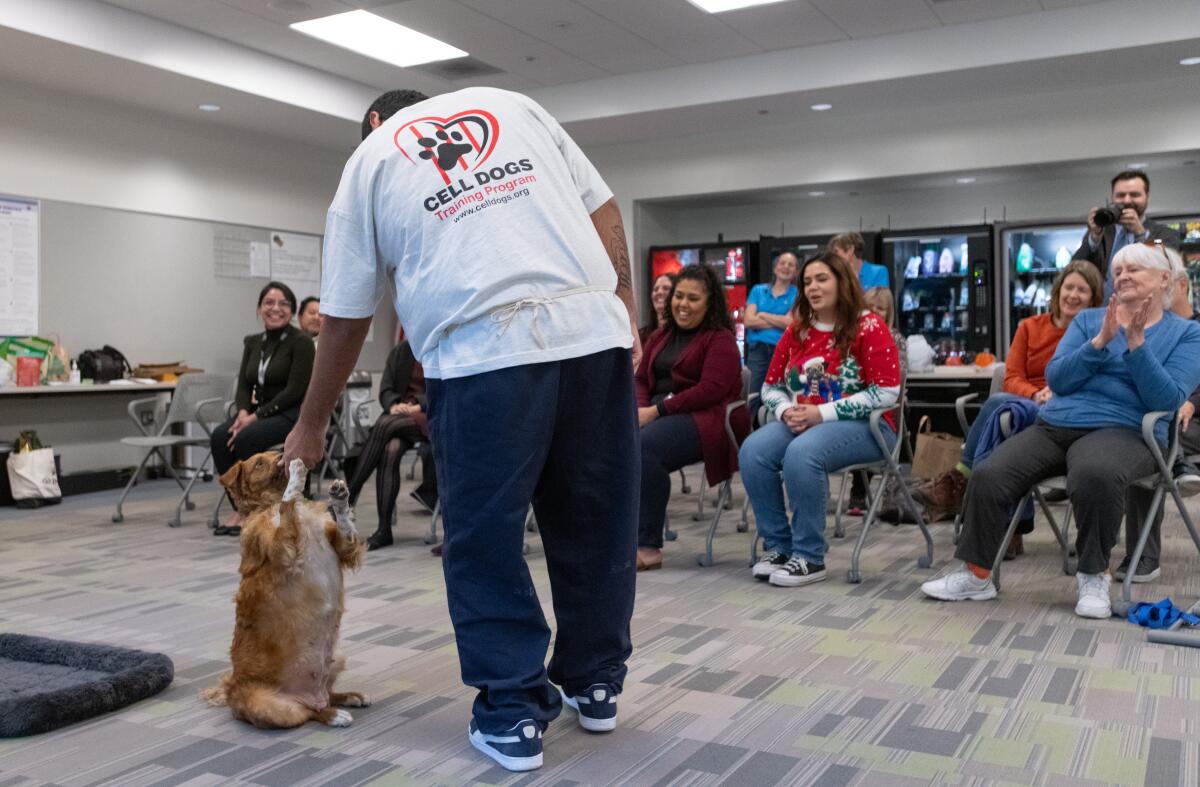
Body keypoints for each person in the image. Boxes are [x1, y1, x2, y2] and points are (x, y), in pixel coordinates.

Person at [282, 87, 640, 773]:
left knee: (483, 534)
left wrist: (311, 421)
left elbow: (348, 315)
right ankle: (595, 681)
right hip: (592, 335)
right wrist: (623, 303)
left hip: (483, 351)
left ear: (376, 124)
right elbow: (603, 205)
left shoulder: (369, 159)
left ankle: (510, 710)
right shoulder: (517, 105)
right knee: (595, 513)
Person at [921, 242, 1200, 619]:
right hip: (1058, 422)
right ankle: (976, 575)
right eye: (1119, 271)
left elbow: (1165, 398)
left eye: (1135, 269)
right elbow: (1058, 378)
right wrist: (1100, 342)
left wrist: (1136, 345)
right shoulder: (1089, 321)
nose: (1124, 276)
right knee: (990, 472)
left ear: (1165, 278)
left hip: (1126, 430)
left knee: (1094, 474)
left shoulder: (1187, 334)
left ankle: (1092, 574)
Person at [739, 251, 901, 587]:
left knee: (803, 452)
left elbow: (887, 392)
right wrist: (786, 410)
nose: (812, 287)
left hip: (870, 428)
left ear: (843, 282)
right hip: (804, 421)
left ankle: (809, 556)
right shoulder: (798, 329)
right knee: (753, 450)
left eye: (821, 279)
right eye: (807, 281)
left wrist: (820, 413)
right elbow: (771, 386)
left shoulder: (869, 325)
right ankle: (779, 548)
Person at [915, 261, 1104, 544]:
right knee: (1004, 416)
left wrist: (1055, 394)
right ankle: (1009, 526)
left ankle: (961, 482)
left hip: (1066, 412)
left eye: (1083, 290)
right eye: (1069, 287)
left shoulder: (1097, 336)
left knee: (999, 411)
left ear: (1094, 298)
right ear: (1058, 290)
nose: (1073, 295)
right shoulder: (1030, 327)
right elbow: (1012, 376)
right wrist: (1034, 394)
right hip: (1027, 405)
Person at [634, 265, 748, 571]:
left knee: (644, 448)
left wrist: (655, 411)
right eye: (678, 296)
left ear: (709, 303)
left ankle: (647, 546)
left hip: (705, 418)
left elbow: (711, 390)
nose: (683, 304)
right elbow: (642, 379)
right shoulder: (660, 336)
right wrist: (641, 409)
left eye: (693, 298)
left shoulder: (720, 340)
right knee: (605, 442)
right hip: (659, 414)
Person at [1118, 246, 1200, 583]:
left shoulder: (1191, 329)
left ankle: (1144, 555)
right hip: (1159, 417)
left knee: (1149, 438)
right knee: (1144, 434)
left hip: (1191, 420)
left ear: (1177, 284)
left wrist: (1191, 400)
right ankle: (1178, 463)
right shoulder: (1144, 324)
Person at [211, 281, 314, 536]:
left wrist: (255, 417)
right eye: (268, 302)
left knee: (246, 439)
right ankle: (241, 507)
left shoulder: (301, 342)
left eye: (283, 304)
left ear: (291, 311)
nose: (275, 308)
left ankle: (258, 511)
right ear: (259, 309)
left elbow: (295, 390)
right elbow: (245, 384)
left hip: (291, 414)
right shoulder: (253, 342)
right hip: (257, 414)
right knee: (220, 438)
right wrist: (244, 412)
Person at [344, 339, 437, 551]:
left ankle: (350, 495)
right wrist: (394, 405)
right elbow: (385, 389)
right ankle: (384, 530)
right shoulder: (400, 351)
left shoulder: (439, 345)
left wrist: (418, 406)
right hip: (400, 418)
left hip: (431, 416)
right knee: (390, 449)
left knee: (385, 424)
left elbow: (446, 389)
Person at [845, 286, 908, 513]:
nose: (874, 312)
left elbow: (896, 382)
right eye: (869, 307)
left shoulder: (895, 339)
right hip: (856, 401)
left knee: (871, 427)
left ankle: (859, 492)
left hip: (887, 405)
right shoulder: (851, 336)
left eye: (879, 309)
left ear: (888, 313)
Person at [1072, 170, 1181, 291]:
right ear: (1112, 198)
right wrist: (1094, 237)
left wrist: (1141, 234)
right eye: (1120, 195)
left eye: (1134, 195)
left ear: (1147, 197)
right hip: (1102, 308)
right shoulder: (1102, 232)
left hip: (1146, 307)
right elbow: (1074, 267)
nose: (1127, 201)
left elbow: (1166, 262)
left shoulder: (1163, 234)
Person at [743, 252, 798, 404]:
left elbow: (791, 323)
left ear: (795, 272)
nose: (786, 267)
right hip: (758, 351)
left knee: (780, 395)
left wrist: (762, 314)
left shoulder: (798, 294)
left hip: (784, 351)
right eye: (782, 263)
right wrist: (779, 319)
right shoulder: (758, 290)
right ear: (775, 268)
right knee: (752, 396)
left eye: (791, 264)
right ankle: (749, 428)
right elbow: (748, 321)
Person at [639, 273, 674, 346]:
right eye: (655, 289)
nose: (659, 292)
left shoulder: (682, 336)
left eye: (666, 288)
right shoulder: (641, 336)